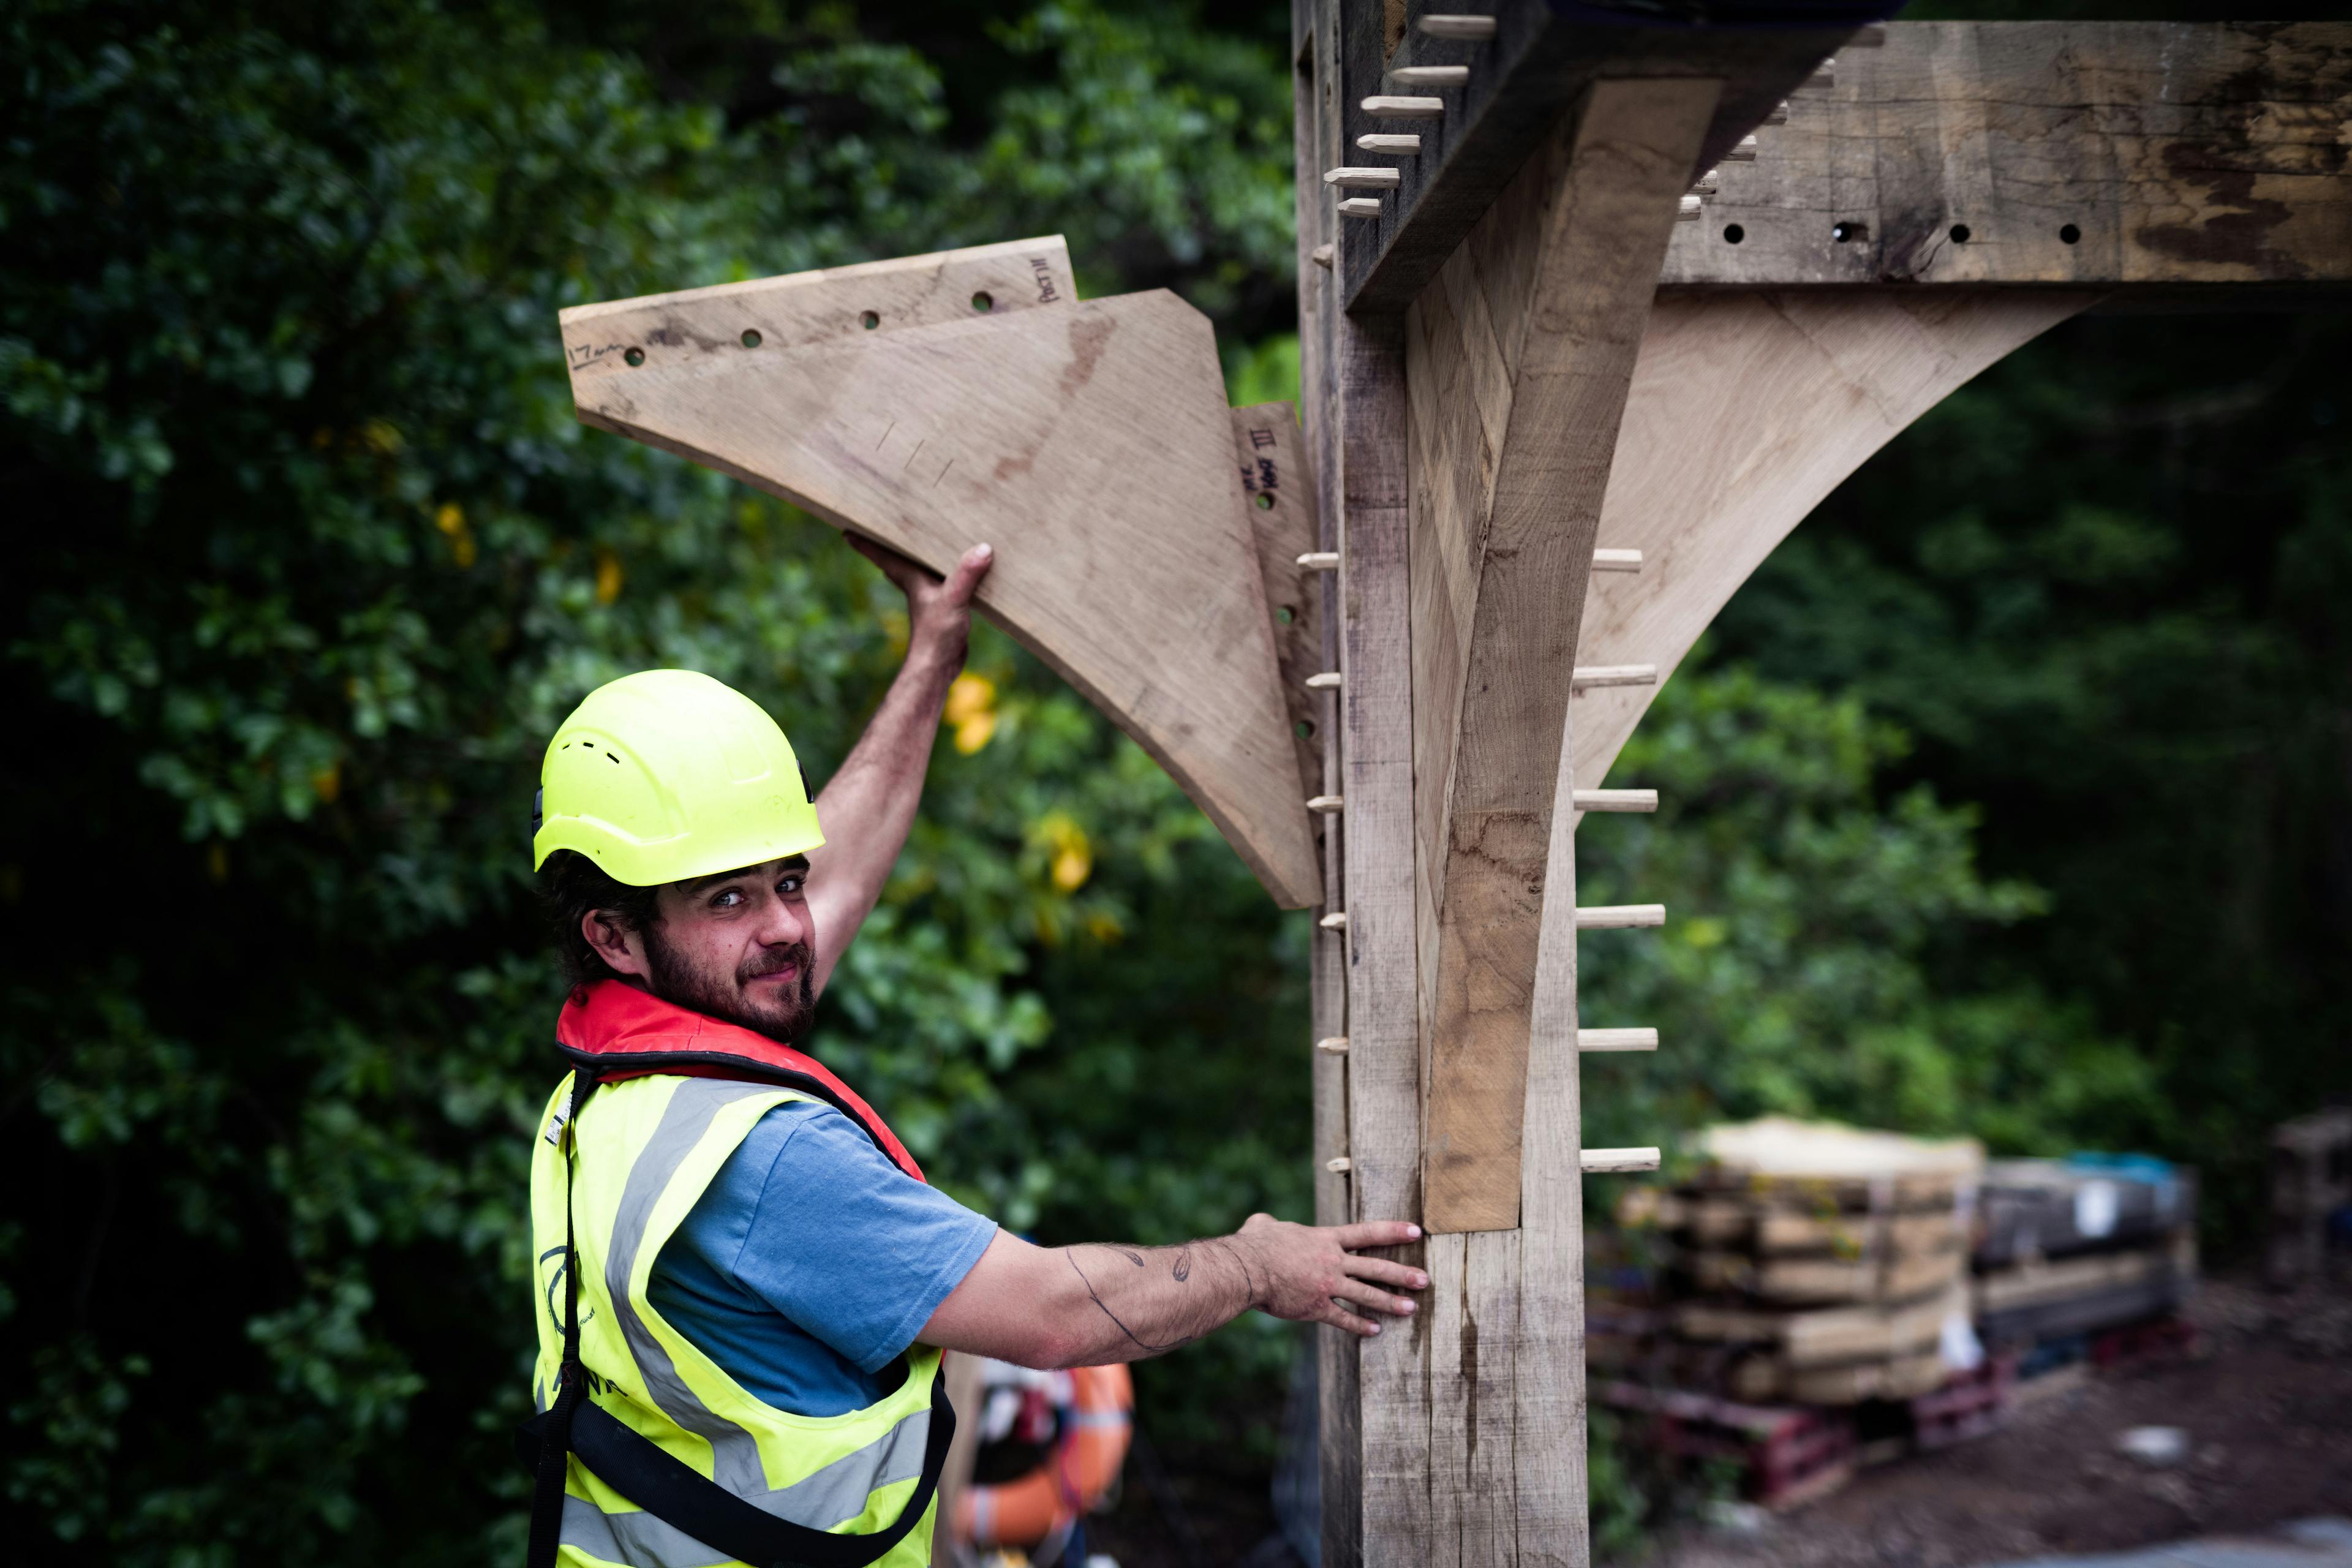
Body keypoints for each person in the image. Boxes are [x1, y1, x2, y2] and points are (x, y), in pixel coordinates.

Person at [521, 537, 1426, 1568]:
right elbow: (1050, 1318)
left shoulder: (608, 1092)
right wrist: (1259, 1265)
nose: (784, 925)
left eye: (781, 879)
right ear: (613, 934)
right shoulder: (759, 1161)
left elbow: (836, 878)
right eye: (726, 898)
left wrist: (933, 653)